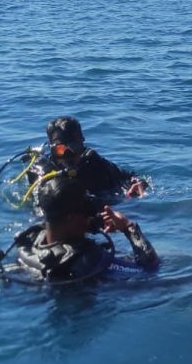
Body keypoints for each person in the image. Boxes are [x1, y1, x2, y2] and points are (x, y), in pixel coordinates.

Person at [17, 173, 157, 282]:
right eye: (86, 210)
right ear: (70, 218)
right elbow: (149, 270)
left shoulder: (32, 241)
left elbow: (64, 227)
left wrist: (90, 223)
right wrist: (128, 228)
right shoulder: (89, 259)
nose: (91, 214)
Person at [31, 116, 148, 200]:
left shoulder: (94, 163)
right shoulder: (43, 171)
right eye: (61, 150)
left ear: (82, 143)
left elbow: (130, 176)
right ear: (51, 149)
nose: (69, 156)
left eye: (74, 147)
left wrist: (139, 184)